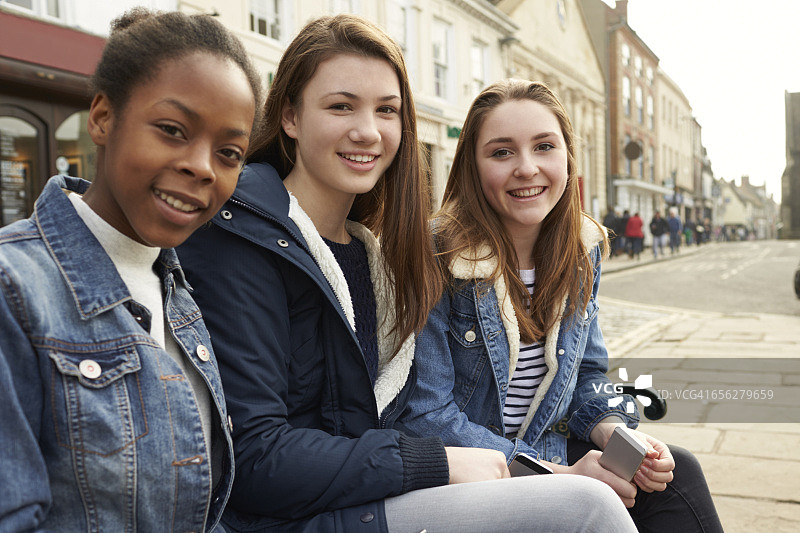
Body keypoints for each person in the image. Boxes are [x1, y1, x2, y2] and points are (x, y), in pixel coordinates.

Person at [177, 16, 636, 533]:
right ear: (289, 116)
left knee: (667, 476)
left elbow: (375, 415)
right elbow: (256, 457)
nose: (367, 131)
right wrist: (458, 464)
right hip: (289, 519)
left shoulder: (377, 256)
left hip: (370, 488)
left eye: (386, 110)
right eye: (340, 106)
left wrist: (613, 429)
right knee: (588, 506)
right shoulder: (246, 234)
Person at [402, 79, 723, 533]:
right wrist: (561, 475)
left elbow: (589, 372)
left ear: (567, 159)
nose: (527, 167)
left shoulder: (581, 251)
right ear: (472, 168)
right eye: (501, 152)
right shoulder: (435, 254)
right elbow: (426, 417)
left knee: (676, 473)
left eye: (544, 146)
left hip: (550, 454)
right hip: (473, 476)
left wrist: (613, 430)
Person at [0, 9, 262, 531]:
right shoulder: (14, 287)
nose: (203, 166)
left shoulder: (179, 293)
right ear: (102, 118)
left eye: (229, 152)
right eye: (172, 130)